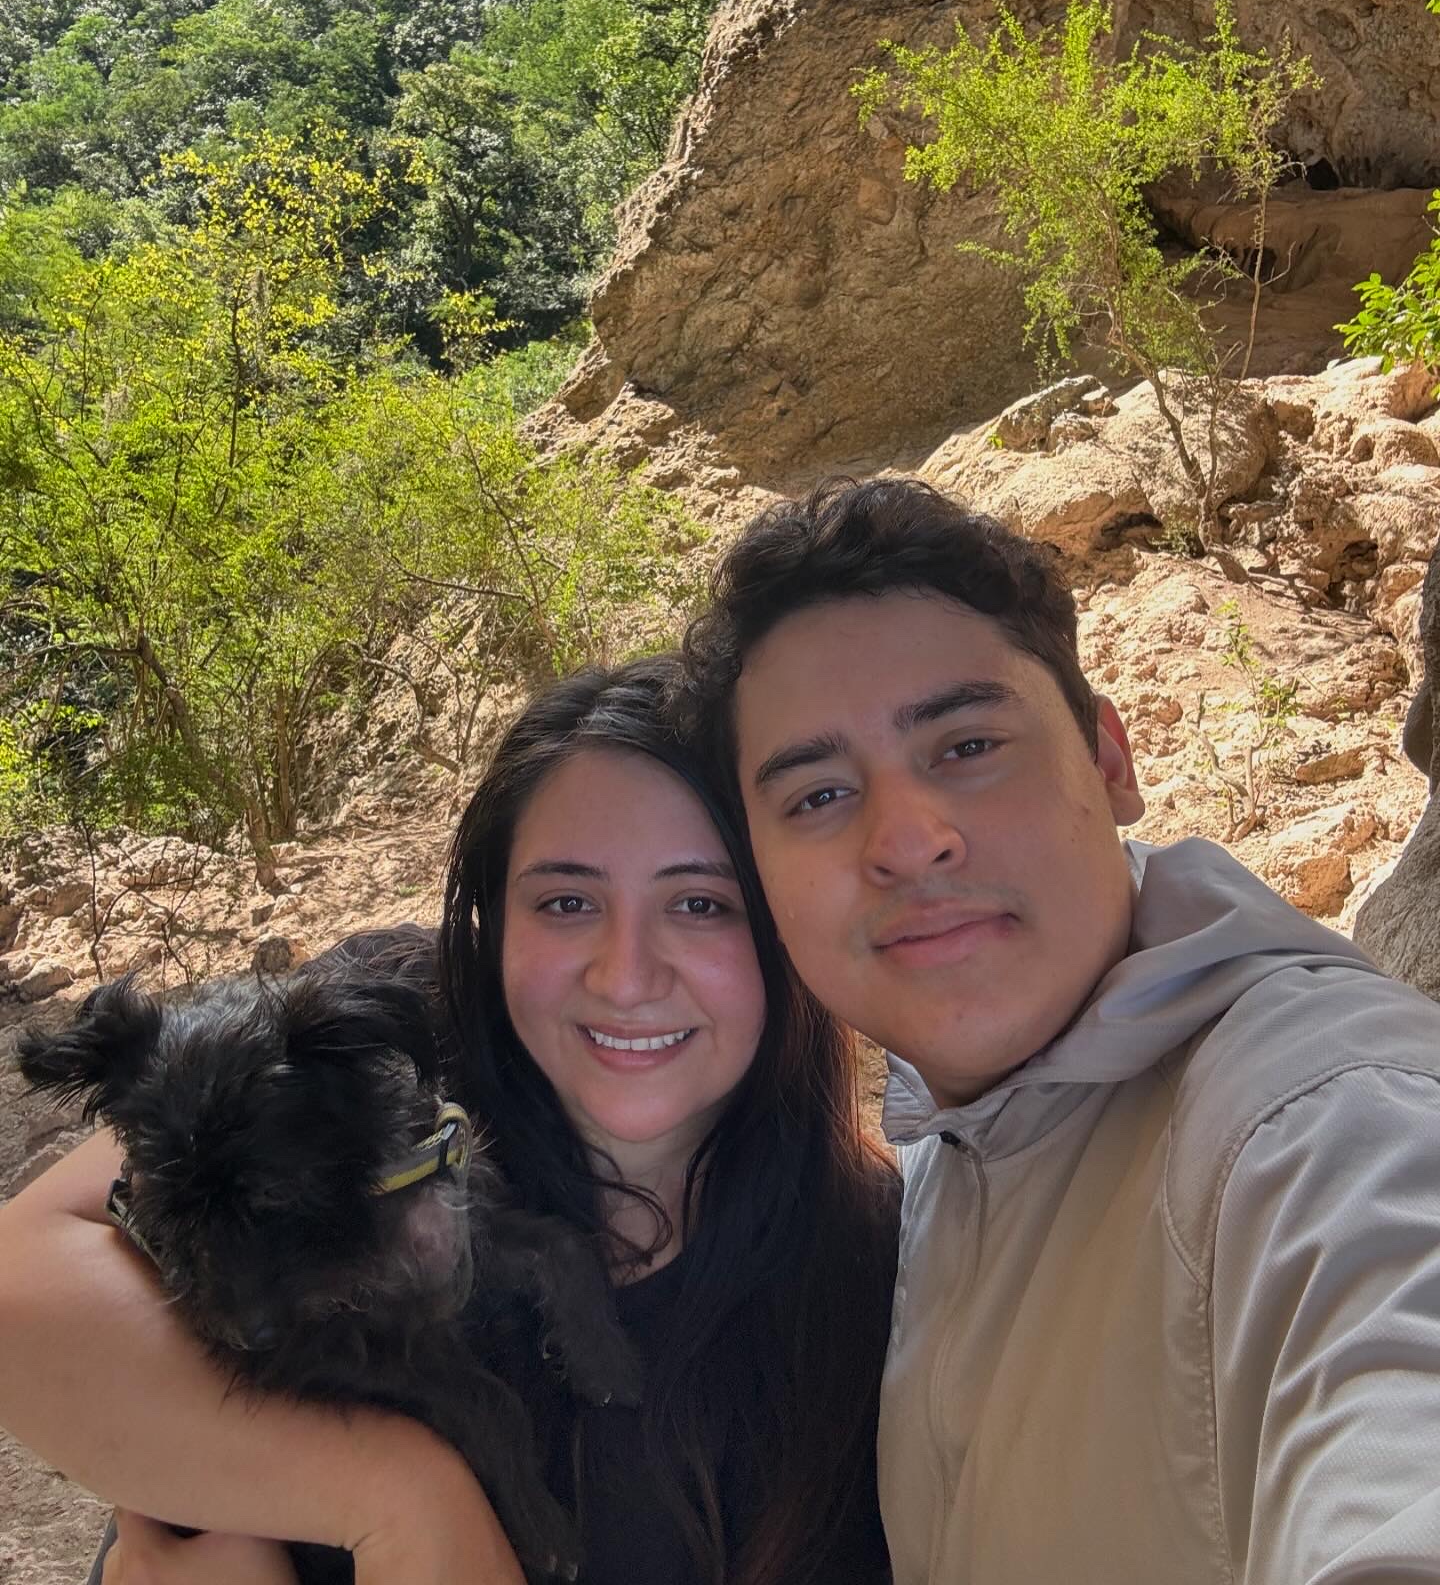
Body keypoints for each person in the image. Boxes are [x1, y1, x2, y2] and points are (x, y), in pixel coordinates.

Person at [680, 475, 1440, 1585]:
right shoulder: (950, 1152)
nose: (908, 839)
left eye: (967, 746)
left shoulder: (1323, 1121)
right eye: (818, 797)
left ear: (1110, 762)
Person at [0, 658, 898, 1585]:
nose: (626, 976)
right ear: (492, 920)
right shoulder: (390, 1019)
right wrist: (403, 1502)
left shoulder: (879, 1276)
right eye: (566, 902)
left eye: (701, 904)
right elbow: (22, 1285)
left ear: (790, 924)